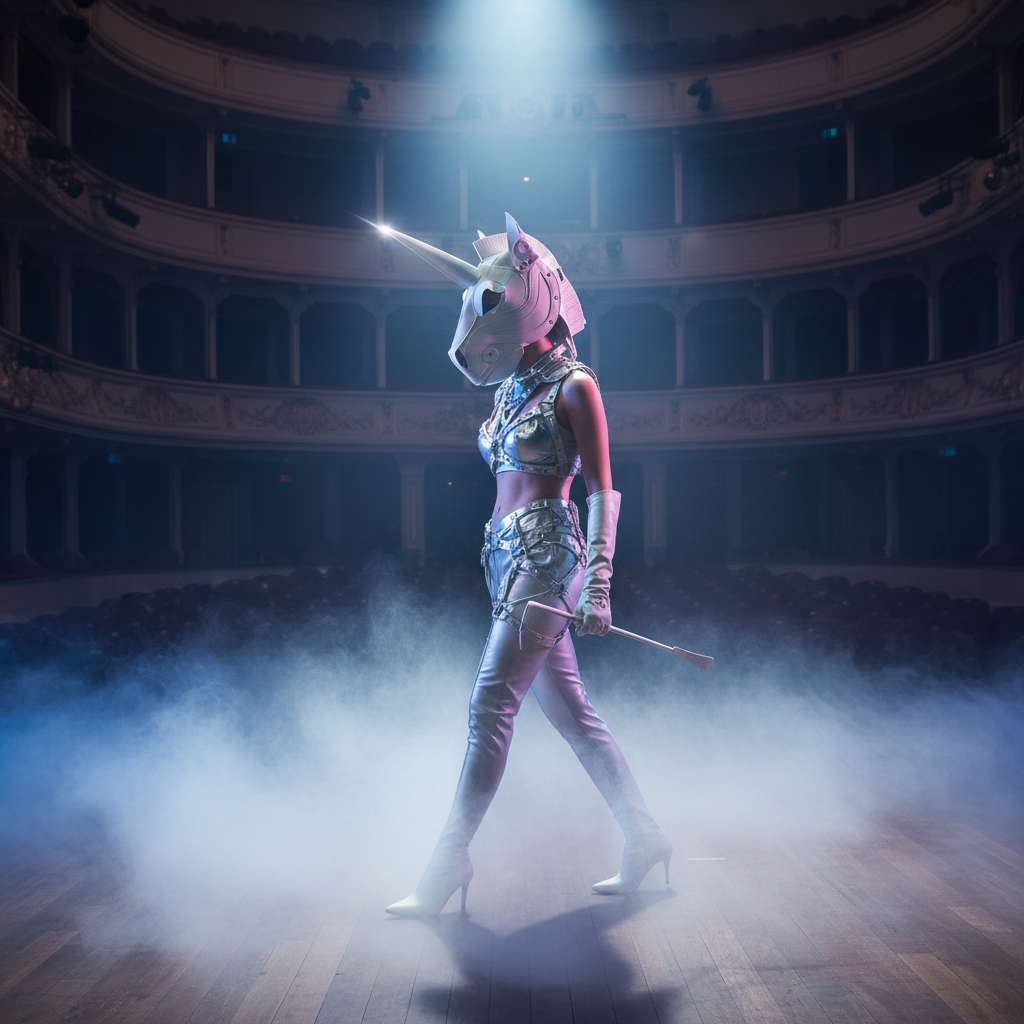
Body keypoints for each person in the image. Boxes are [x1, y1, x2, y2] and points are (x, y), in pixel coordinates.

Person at [381, 214, 670, 917]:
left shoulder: (576, 386)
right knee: (574, 716)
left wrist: (598, 583)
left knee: (489, 706)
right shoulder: (509, 392)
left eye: (498, 300)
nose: (485, 317)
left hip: (549, 557)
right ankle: (645, 836)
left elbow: (603, 487)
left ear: (532, 301)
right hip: (503, 558)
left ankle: (447, 861)